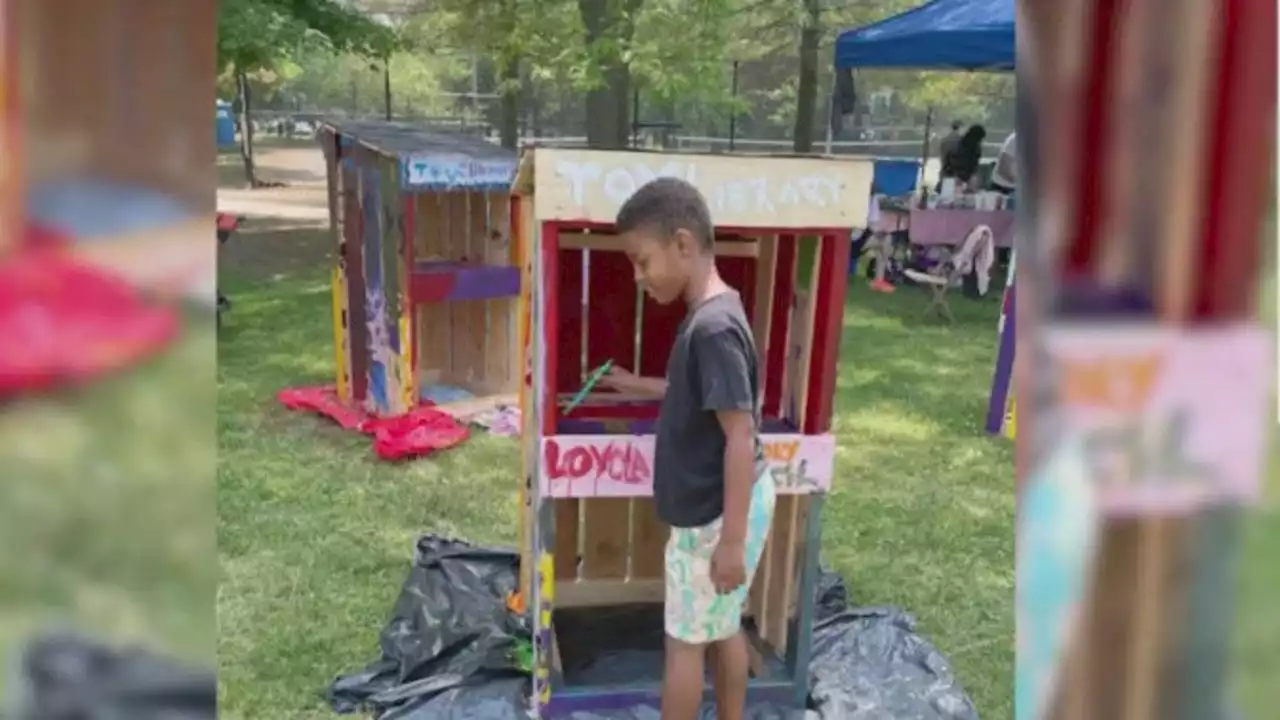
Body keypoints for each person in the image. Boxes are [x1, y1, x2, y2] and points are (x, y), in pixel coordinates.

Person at [599, 177, 776, 720]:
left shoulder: (712, 329)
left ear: (682, 243)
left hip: (714, 517)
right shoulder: (714, 314)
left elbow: (739, 434)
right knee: (722, 625)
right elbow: (706, 396)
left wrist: (731, 542)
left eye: (641, 260)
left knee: (684, 644)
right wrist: (638, 385)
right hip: (720, 510)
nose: (637, 276)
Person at [938, 124, 987, 192]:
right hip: (951, 177)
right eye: (978, 139)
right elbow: (948, 165)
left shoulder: (976, 149)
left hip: (967, 178)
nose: (979, 142)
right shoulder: (955, 147)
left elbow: (974, 166)